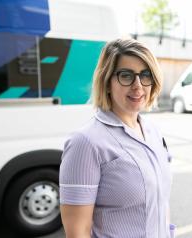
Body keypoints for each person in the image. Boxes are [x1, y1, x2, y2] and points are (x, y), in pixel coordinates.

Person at [59, 38, 174, 238]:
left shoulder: (153, 132)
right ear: (107, 82)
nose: (138, 86)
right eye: (126, 76)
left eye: (145, 75)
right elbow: (78, 231)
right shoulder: (85, 143)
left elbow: (161, 202)